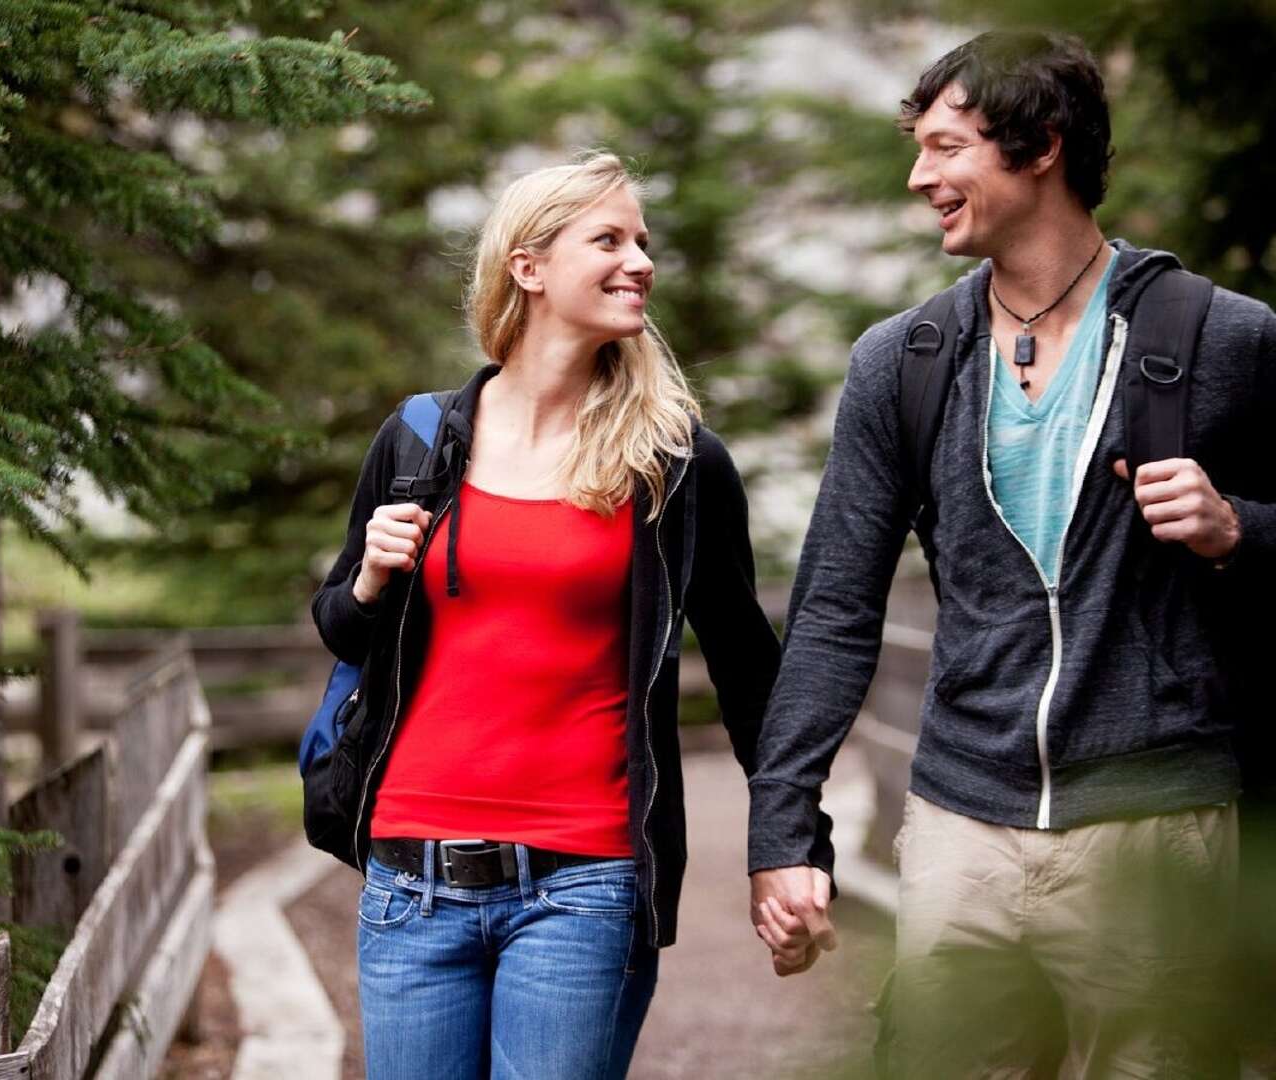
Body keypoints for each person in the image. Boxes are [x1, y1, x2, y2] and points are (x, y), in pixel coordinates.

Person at [747, 30, 1276, 1077]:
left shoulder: (1225, 339)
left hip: (1157, 821)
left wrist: (1239, 531)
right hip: (959, 823)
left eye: (947, 147)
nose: (919, 177)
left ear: (1038, 145)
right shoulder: (903, 362)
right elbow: (835, 608)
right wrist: (781, 828)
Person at [311, 152, 780, 1079]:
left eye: (643, 241)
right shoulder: (417, 439)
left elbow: (747, 668)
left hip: (585, 882)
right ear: (527, 267)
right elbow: (342, 630)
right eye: (607, 239)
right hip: (410, 881)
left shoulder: (675, 464)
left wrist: (791, 845)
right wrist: (367, 578)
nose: (639, 260)